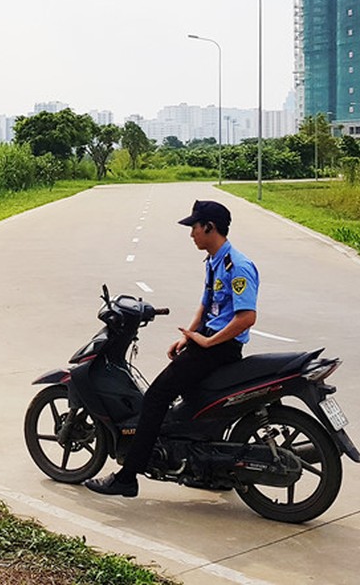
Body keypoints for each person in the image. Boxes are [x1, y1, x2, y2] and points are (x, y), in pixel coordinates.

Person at [85, 199, 259, 498]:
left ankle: (127, 477)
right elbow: (208, 304)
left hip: (219, 349)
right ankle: (205, 470)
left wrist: (206, 341)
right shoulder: (215, 260)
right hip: (208, 344)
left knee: (156, 397)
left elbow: (247, 318)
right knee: (192, 401)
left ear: (209, 227)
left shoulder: (238, 265)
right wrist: (190, 335)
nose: (191, 234)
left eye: (194, 227)